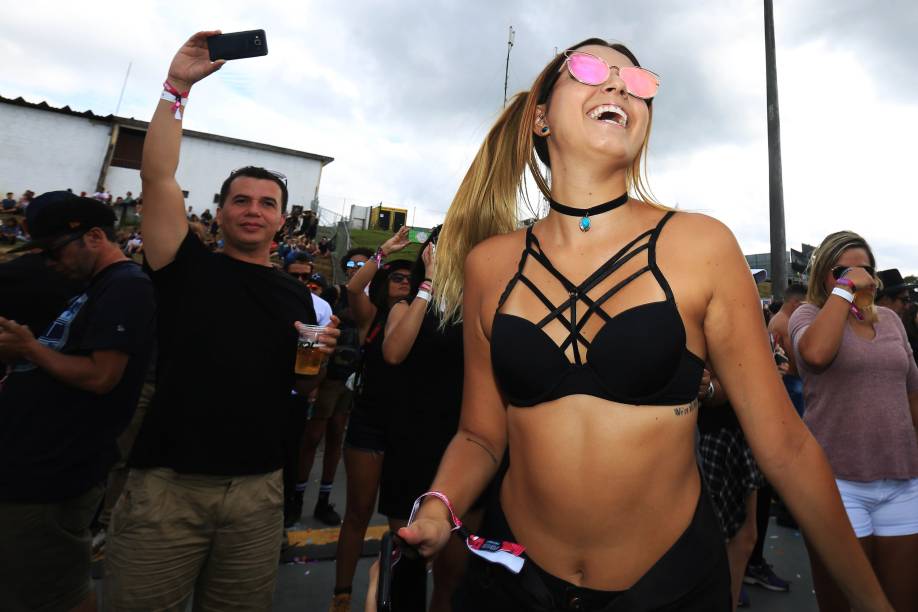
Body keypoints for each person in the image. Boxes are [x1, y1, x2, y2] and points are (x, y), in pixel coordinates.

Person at [395, 39, 892, 611]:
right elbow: (480, 435)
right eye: (588, 69)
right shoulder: (490, 264)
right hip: (513, 583)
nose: (617, 86)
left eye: (636, 82)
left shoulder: (701, 245)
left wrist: (873, 604)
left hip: (670, 587)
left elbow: (784, 447)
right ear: (539, 117)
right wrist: (437, 505)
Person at [103, 31, 338, 611]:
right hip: (167, 490)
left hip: (259, 493)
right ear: (222, 209)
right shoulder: (182, 266)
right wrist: (177, 87)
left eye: (266, 203)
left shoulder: (299, 298)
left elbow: (300, 390)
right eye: (241, 200)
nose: (253, 210)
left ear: (283, 222)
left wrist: (317, 362)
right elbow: (157, 178)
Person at [0, 192, 155, 612]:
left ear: (93, 237)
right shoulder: (95, 286)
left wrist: (30, 350)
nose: (50, 262)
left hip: (52, 472)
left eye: (54, 251)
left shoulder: (125, 286)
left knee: (54, 593)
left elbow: (102, 376)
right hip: (35, 465)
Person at [789, 231, 918, 612]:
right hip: (837, 484)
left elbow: (912, 391)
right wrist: (844, 291)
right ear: (824, 277)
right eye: (843, 270)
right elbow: (814, 355)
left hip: (902, 480)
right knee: (845, 603)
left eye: (865, 269)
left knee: (901, 601)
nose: (858, 277)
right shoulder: (808, 315)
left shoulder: (892, 321)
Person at [377, 226, 482, 611]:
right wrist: (430, 284)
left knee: (453, 579)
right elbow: (393, 352)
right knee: (406, 574)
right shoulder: (407, 306)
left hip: (465, 446)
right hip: (412, 444)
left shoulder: (480, 307)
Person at [330, 228, 411, 612]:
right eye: (396, 277)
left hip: (408, 427)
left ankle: (396, 597)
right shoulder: (371, 318)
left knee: (403, 521)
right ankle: (342, 595)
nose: (403, 283)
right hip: (368, 422)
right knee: (358, 512)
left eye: (409, 278)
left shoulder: (423, 317)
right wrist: (384, 251)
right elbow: (352, 289)